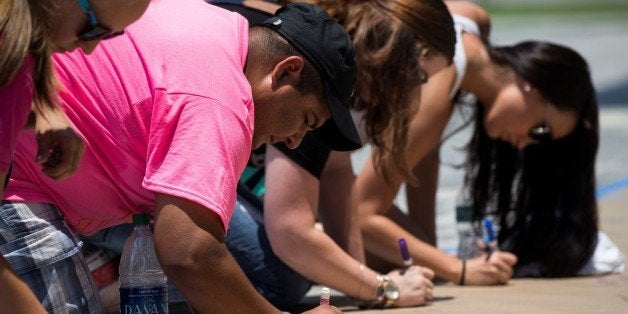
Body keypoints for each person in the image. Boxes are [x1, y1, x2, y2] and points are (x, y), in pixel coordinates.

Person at [1, 1, 357, 313]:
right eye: (306, 121)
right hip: (19, 176)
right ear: (285, 71)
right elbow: (189, 253)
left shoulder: (218, 27)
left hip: (39, 162)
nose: (295, 142)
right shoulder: (220, 99)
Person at [216, 0, 456, 310]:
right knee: (282, 276)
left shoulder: (324, 37)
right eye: (420, 77)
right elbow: (291, 231)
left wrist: (364, 282)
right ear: (398, 54)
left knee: (313, 262)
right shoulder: (315, 70)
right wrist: (385, 288)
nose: (415, 91)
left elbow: (336, 172)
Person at [354, 0, 597, 282]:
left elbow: (423, 156)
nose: (525, 144)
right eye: (540, 130)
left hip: (308, 155)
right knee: (390, 254)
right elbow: (361, 213)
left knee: (416, 256)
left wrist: (431, 251)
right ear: (534, 86)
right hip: (300, 162)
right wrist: (457, 269)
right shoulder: (438, 86)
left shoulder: (471, 19)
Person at [1, 1, 148, 312]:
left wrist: (42, 106)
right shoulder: (13, 66)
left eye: (106, 37)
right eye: (91, 30)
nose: (90, 49)